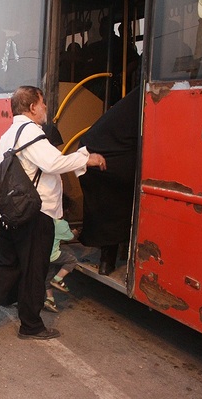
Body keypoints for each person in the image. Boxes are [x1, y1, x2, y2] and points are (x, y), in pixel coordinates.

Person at [0, 86, 106, 340]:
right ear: (32, 107)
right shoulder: (32, 132)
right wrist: (87, 159)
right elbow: (54, 163)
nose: (45, 108)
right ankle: (31, 325)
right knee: (34, 271)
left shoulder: (8, 134)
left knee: (4, 268)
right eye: (42, 103)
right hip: (35, 214)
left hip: (11, 213)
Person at [78, 87, 139, 276]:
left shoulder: (125, 108)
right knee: (123, 207)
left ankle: (107, 262)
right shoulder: (144, 101)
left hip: (92, 156)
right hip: (106, 159)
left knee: (108, 210)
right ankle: (119, 256)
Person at [43, 218, 80, 313]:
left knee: (48, 277)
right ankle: (58, 279)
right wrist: (75, 233)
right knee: (72, 260)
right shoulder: (60, 223)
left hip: (43, 255)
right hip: (53, 255)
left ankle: (50, 299)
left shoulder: (43, 220)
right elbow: (70, 237)